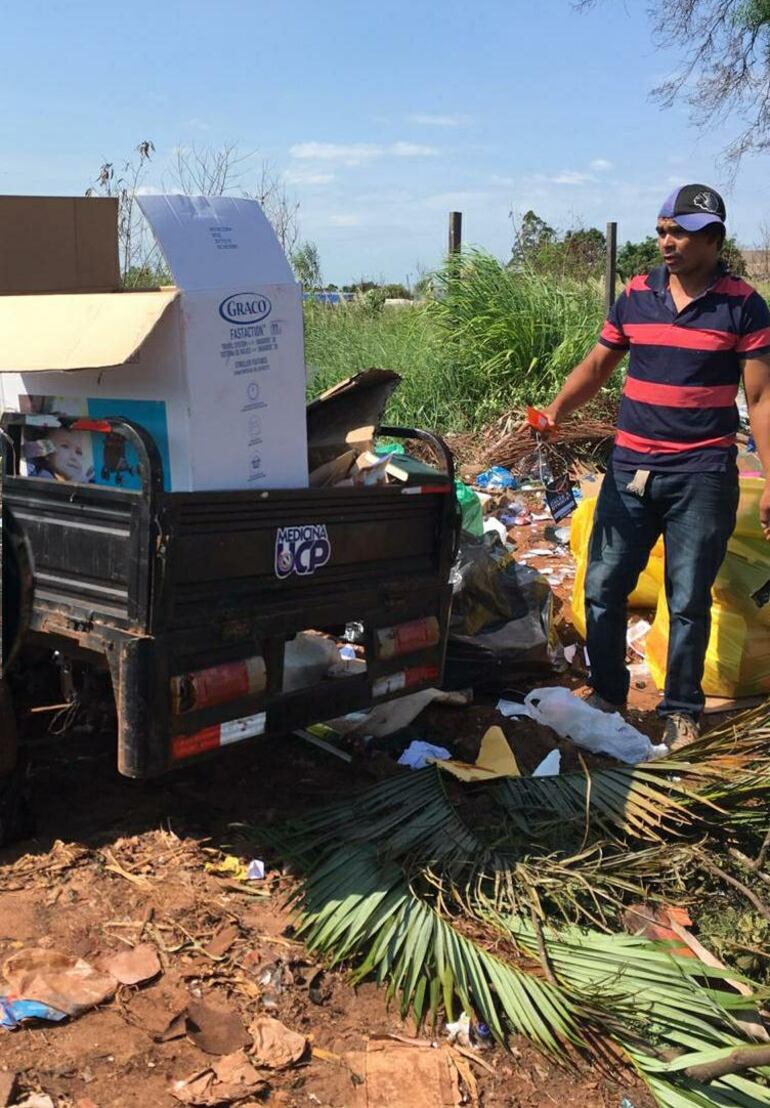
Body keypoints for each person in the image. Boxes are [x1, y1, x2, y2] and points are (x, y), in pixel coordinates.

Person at [538, 184, 770, 749]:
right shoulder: (637, 294)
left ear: (713, 239)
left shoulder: (743, 305)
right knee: (602, 585)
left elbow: (760, 399)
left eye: (680, 232)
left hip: (703, 475)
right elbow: (597, 365)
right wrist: (555, 411)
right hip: (629, 470)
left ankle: (682, 708)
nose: (667, 241)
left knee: (688, 596)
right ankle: (611, 692)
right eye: (662, 230)